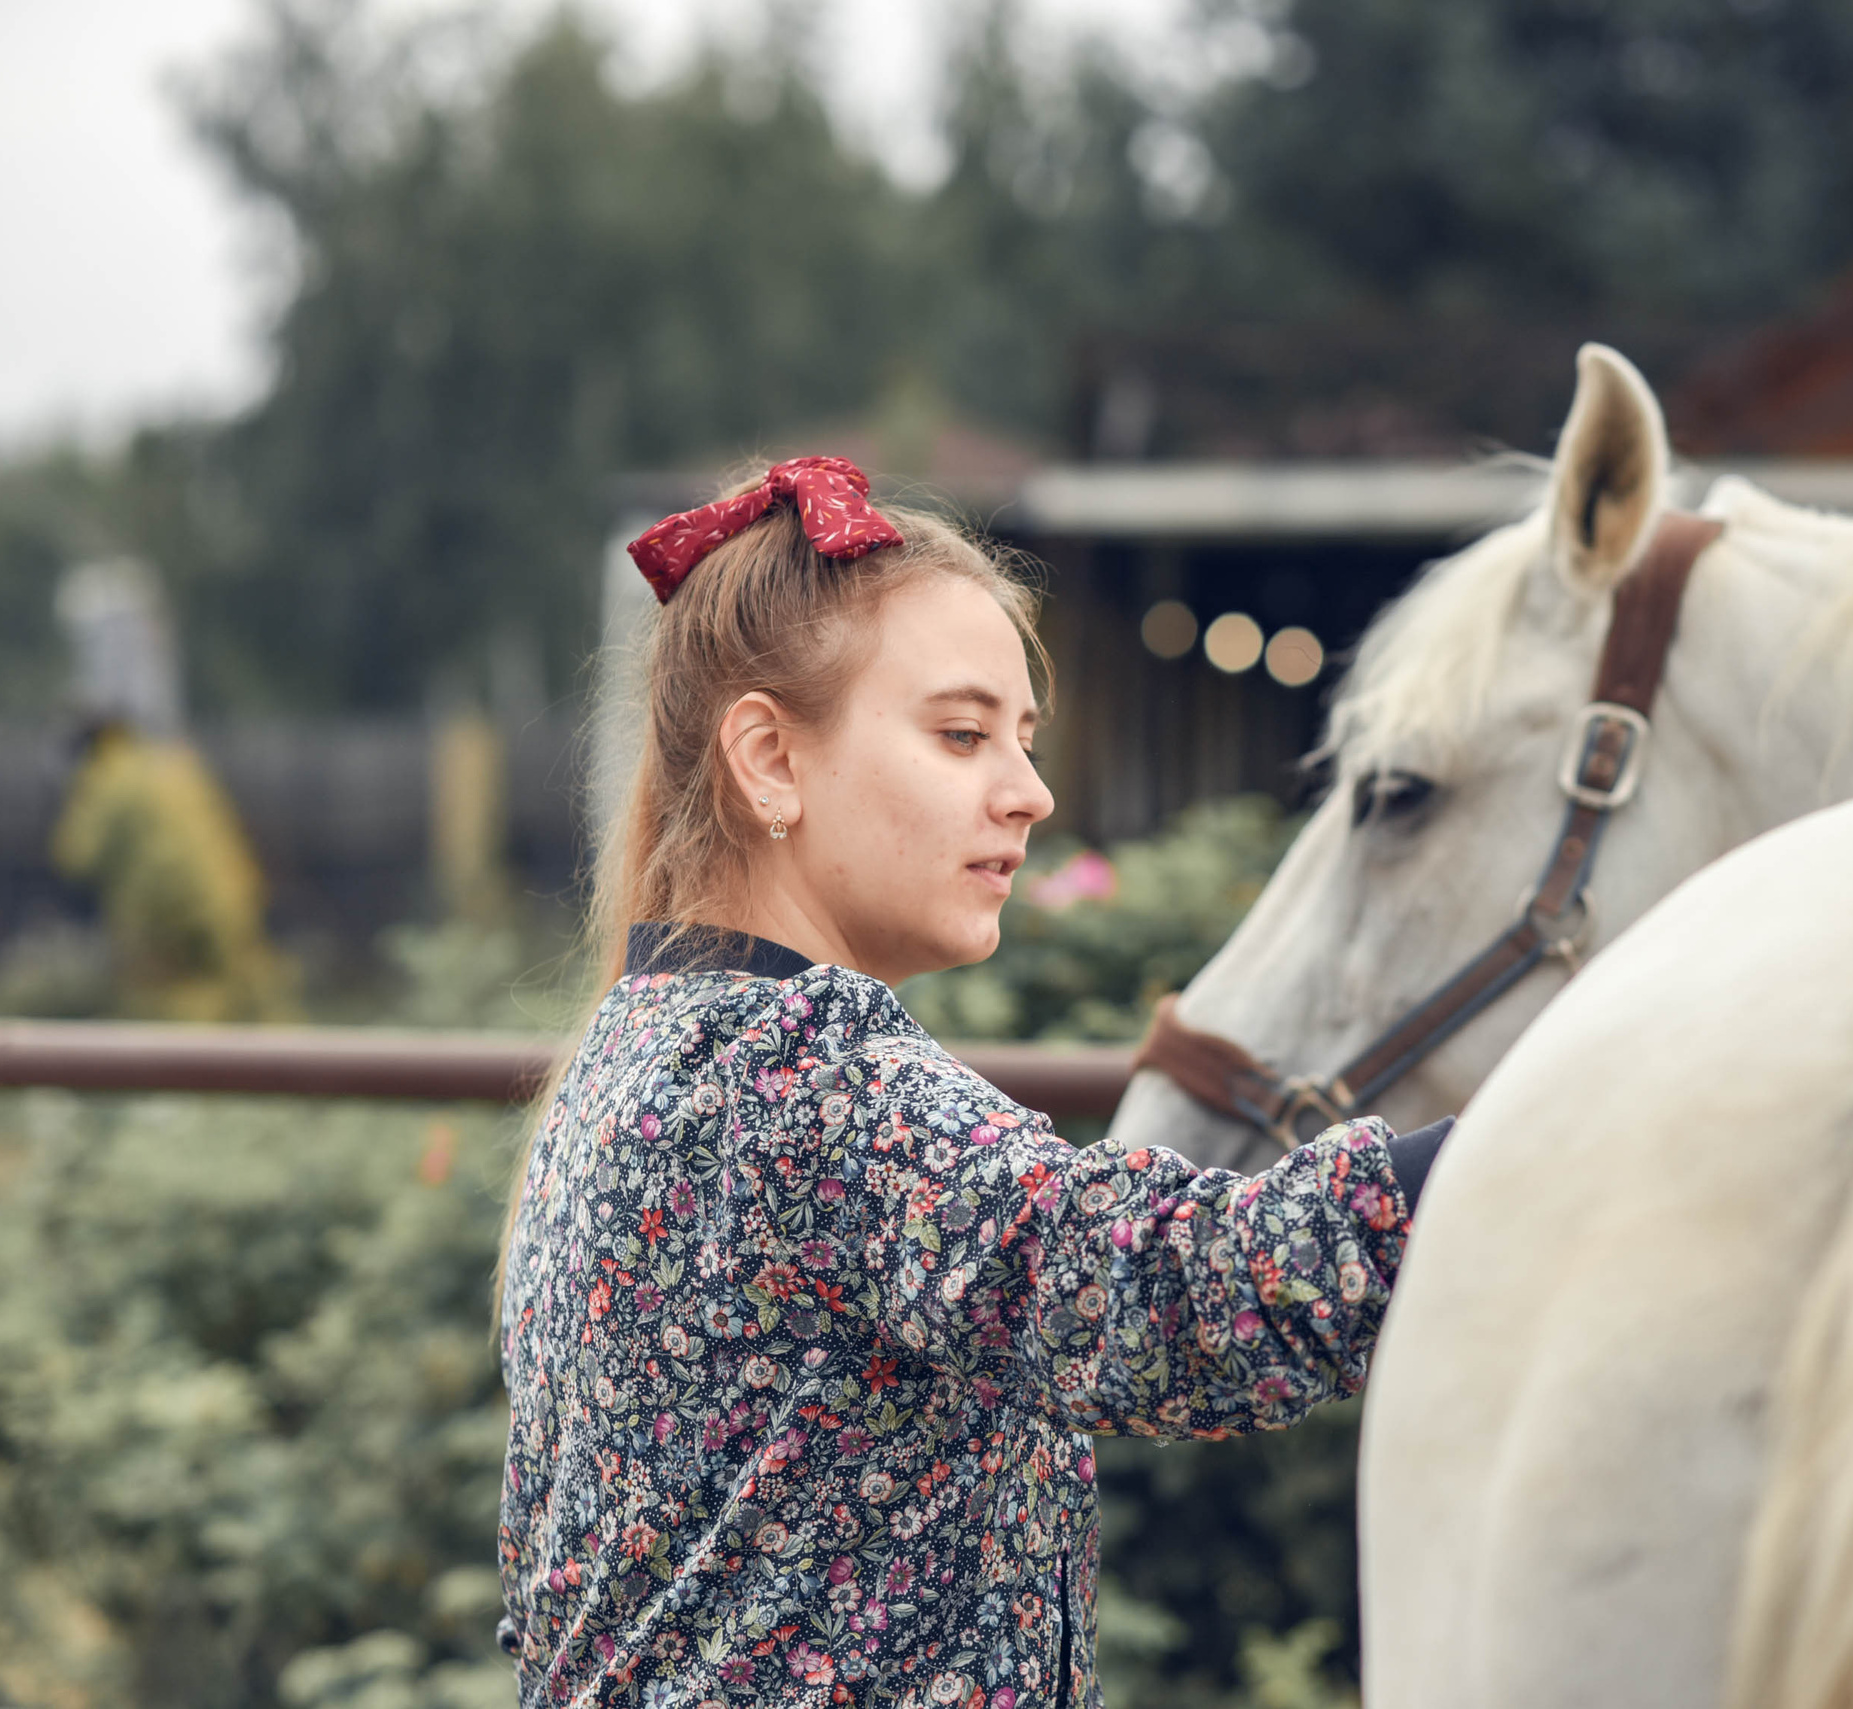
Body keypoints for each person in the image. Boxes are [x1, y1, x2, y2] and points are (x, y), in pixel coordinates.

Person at [496, 457, 1450, 1709]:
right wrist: (1520, 1139)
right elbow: (1155, 1291)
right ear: (769, 759)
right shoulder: (808, 1069)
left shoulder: (626, 1052)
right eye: (961, 734)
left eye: (1024, 739)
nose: (1030, 793)